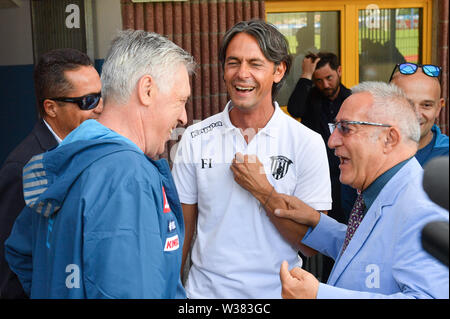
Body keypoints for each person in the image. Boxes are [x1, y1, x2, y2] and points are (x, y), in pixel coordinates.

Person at [5, 30, 195, 298]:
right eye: (181, 101)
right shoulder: (128, 175)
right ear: (147, 90)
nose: (184, 117)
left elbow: (20, 252)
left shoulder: (66, 156)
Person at [171, 19, 332, 298]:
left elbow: (311, 246)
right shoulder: (195, 138)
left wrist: (262, 190)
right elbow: (181, 232)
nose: (241, 74)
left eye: (255, 64)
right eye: (233, 62)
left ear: (279, 70)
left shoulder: (307, 142)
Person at [277, 82, 449, 298]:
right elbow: (373, 250)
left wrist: (319, 296)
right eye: (335, 127)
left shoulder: (424, 209)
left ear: (389, 138)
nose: (332, 141)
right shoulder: (384, 190)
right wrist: (317, 223)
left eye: (346, 128)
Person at [0, 48, 103, 299]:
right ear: (51, 107)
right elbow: (9, 270)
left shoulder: (90, 148)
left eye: (101, 96)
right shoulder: (22, 167)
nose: (100, 108)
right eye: (88, 101)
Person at [287, 52, 353, 282]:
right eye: (319, 80)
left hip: (344, 182)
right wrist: (305, 76)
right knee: (309, 241)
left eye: (329, 77)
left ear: (339, 71)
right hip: (315, 181)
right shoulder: (311, 97)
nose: (325, 84)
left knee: (339, 241)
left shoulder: (350, 98)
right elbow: (294, 109)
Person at [390, 62, 449, 166]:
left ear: (438, 108)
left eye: (426, 105)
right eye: (407, 104)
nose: (416, 115)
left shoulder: (446, 153)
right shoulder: (367, 150)